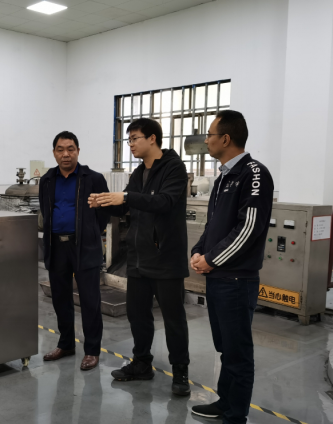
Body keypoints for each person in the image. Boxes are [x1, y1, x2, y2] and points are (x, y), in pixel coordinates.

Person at [89, 118, 191, 396]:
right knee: (138, 315)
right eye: (129, 139)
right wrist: (104, 203)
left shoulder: (174, 168)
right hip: (138, 258)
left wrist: (125, 197)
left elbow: (165, 202)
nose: (130, 144)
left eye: (134, 138)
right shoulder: (138, 173)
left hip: (165, 257)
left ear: (152, 138)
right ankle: (142, 363)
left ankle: (180, 371)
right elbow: (128, 208)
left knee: (173, 318)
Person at [190, 110, 273, 424]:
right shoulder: (224, 176)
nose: (207, 140)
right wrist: (199, 251)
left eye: (210, 134)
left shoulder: (254, 173)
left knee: (238, 352)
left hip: (236, 281)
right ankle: (225, 403)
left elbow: (248, 228)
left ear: (225, 138)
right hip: (218, 278)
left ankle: (236, 416)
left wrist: (211, 259)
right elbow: (213, 226)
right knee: (226, 347)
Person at [39, 131, 109, 371]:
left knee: (90, 300)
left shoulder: (94, 179)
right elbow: (45, 210)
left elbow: (103, 213)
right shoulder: (47, 180)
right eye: (60, 149)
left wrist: (90, 233)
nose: (65, 154)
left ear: (78, 151)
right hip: (56, 246)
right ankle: (66, 344)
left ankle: (92, 350)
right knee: (60, 298)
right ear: (54, 153)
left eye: (70, 149)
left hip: (85, 247)